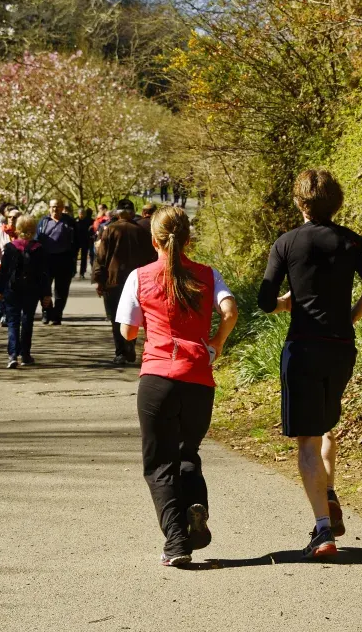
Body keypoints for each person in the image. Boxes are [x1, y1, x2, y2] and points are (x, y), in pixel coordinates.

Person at [257, 168, 362, 559]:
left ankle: (323, 531)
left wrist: (285, 303)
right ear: (337, 202)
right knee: (328, 425)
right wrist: (352, 316)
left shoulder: (286, 243)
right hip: (341, 346)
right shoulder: (351, 240)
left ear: (300, 203)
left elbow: (265, 301)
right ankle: (327, 489)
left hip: (303, 347)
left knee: (307, 440)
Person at [116, 205, 239, 566]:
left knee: (159, 464)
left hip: (157, 378)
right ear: (188, 240)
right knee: (188, 454)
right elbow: (230, 310)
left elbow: (127, 331)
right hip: (199, 379)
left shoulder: (140, 277)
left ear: (154, 240)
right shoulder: (207, 274)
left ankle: (176, 544)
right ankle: (195, 510)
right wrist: (216, 342)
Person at [93, 199, 155, 364]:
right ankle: (130, 346)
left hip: (113, 281)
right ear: (133, 213)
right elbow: (151, 258)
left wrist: (99, 280)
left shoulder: (110, 230)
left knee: (116, 317)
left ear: (117, 213)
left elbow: (101, 257)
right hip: (137, 281)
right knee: (132, 316)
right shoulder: (141, 232)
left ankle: (121, 352)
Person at [0, 215, 53, 368]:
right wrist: (46, 294)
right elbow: (44, 273)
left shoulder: (10, 247)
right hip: (32, 290)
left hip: (12, 289)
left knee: (13, 321)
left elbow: (4, 272)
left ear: (18, 228)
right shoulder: (39, 249)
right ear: (34, 229)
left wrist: (0, 290)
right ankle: (25, 355)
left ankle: (12, 354)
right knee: (27, 321)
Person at [36, 198, 76, 324]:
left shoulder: (69, 222)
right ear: (49, 208)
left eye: (58, 206)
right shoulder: (43, 221)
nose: (55, 209)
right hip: (46, 259)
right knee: (44, 288)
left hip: (64, 259)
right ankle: (47, 311)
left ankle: (57, 315)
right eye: (53, 206)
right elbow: (37, 238)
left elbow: (77, 240)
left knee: (61, 290)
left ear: (62, 208)